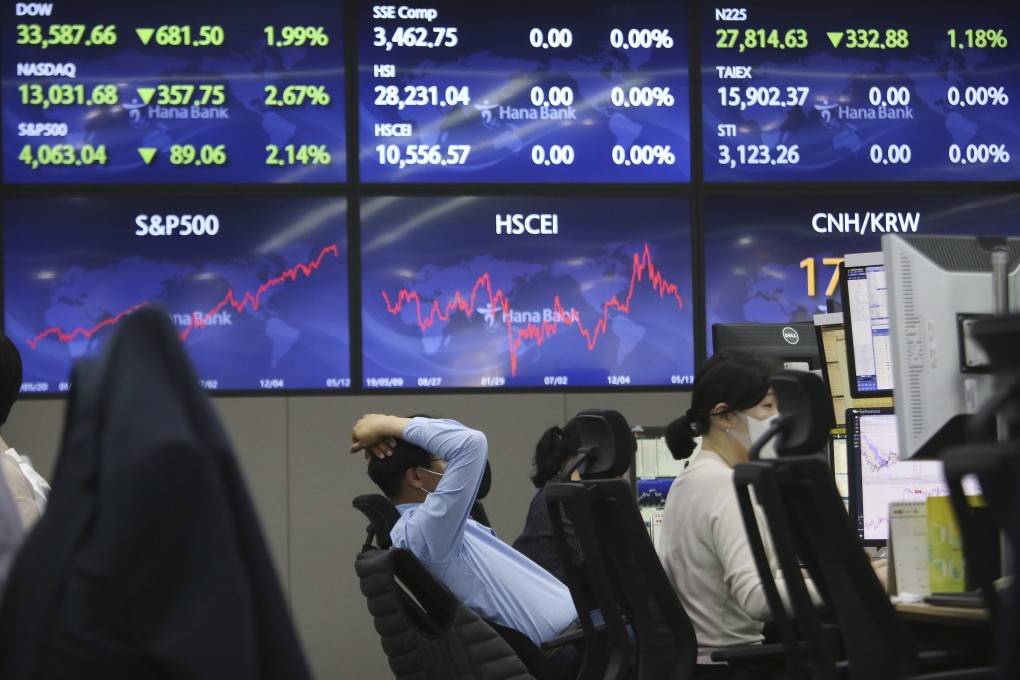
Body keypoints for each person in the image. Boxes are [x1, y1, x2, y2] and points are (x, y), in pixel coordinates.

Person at [351, 414, 582, 674]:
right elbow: (470, 443)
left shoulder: (433, 527)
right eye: (442, 460)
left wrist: (402, 427)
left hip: (578, 639)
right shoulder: (426, 528)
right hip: (573, 653)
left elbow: (464, 441)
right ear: (416, 477)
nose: (451, 467)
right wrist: (387, 422)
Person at [512, 424, 585, 587]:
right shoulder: (562, 496)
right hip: (560, 603)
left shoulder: (556, 489)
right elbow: (589, 562)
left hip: (551, 597)